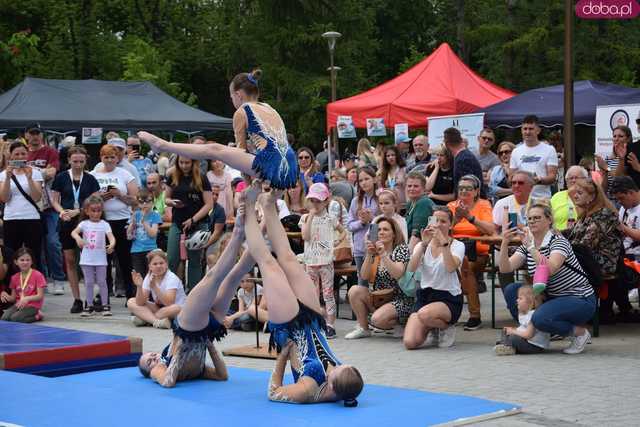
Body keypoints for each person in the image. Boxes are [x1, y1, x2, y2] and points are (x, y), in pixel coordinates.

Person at [241, 184, 363, 405]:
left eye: (336, 371)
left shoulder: (309, 389)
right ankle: (269, 204)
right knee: (288, 256)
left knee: (268, 263)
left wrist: (282, 356)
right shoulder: (345, 380)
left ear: (333, 387)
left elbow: (274, 392)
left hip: (289, 328)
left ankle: (248, 209)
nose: (335, 368)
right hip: (314, 319)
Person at [137, 205, 254, 387]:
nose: (153, 357)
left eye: (150, 355)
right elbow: (221, 376)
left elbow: (170, 377)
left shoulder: (165, 360)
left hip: (188, 326)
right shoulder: (162, 370)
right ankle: (260, 230)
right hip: (206, 330)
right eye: (149, 362)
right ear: (150, 371)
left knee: (214, 277)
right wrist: (209, 346)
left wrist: (176, 353)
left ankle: (241, 229)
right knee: (235, 277)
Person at [139, 69, 299, 190]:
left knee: (214, 149)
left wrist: (248, 187)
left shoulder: (243, 111)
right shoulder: (270, 108)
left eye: (231, 97)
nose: (232, 101)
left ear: (238, 95)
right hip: (291, 168)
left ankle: (162, 145)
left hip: (272, 164)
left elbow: (240, 154)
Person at [499, 204, 596, 355]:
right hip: (551, 298)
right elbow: (505, 268)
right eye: (529, 219)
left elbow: (550, 269)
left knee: (541, 318)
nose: (532, 222)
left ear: (549, 220)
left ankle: (580, 333)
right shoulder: (528, 244)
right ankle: (530, 331)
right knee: (513, 290)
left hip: (579, 298)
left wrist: (532, 248)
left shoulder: (558, 241)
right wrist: (505, 242)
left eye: (537, 218)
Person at [403, 207, 464, 350]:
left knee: (424, 314)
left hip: (448, 297)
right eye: (435, 221)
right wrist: (423, 244)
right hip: (426, 295)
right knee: (410, 342)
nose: (438, 225)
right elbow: (411, 268)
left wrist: (443, 244)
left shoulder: (458, 245)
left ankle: (446, 327)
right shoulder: (422, 244)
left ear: (451, 224)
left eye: (443, 221)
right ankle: (432, 327)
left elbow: (450, 267)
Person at [567, 179, 627, 323]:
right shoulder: (585, 214)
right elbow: (574, 238)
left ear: (592, 197)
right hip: (588, 258)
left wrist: (562, 245)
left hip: (602, 262)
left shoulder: (604, 214)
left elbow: (585, 244)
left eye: (580, 193)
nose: (575, 196)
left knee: (559, 266)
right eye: (574, 193)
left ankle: (569, 311)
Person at [51, 146, 101, 313]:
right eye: (75, 161)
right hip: (66, 223)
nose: (78, 164)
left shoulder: (91, 179)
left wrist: (78, 211)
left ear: (85, 161)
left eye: (81, 161)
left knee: (89, 261)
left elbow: (96, 202)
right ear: (69, 161)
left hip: (87, 222)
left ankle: (91, 297)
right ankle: (77, 299)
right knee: (70, 261)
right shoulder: (61, 177)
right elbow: (54, 200)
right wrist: (62, 212)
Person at [345, 217, 411, 339]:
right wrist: (370, 254)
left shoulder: (401, 249)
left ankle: (400, 325)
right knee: (354, 290)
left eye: (386, 229)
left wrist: (383, 255)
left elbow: (398, 273)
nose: (381, 232)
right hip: (378, 298)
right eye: (379, 229)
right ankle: (364, 328)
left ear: (394, 234)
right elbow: (364, 276)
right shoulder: (373, 250)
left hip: (399, 299)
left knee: (377, 319)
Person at [447, 174, 496, 331]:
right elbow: (438, 229)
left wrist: (470, 217)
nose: (464, 192)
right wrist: (455, 218)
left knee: (465, 266)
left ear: (476, 191)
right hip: (453, 251)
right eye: (461, 188)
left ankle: (474, 316)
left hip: (477, 252)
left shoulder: (484, 205)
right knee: (462, 266)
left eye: (468, 188)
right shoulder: (450, 206)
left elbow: (490, 230)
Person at [91, 144, 138, 299]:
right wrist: (99, 198)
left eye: (112, 157)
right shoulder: (94, 175)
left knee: (125, 259)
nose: (110, 160)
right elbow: (88, 200)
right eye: (106, 157)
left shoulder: (125, 174)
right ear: (101, 158)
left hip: (122, 220)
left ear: (118, 158)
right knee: (103, 259)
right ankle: (104, 292)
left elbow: (135, 201)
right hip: (101, 221)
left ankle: (130, 292)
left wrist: (119, 195)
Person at [24, 124, 66, 295]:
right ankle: (41, 279)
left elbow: (51, 173)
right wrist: (39, 172)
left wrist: (28, 171)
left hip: (48, 206)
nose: (35, 136)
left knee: (52, 242)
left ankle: (58, 279)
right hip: (28, 206)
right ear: (26, 135)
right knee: (35, 245)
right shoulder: (21, 151)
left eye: (37, 133)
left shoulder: (50, 151)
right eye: (32, 133)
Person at [299, 183, 343, 339]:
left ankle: (330, 324)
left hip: (325, 261)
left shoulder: (330, 218)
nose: (315, 204)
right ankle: (315, 321)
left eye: (318, 201)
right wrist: (310, 216)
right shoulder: (305, 218)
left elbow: (343, 232)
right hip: (310, 261)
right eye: (312, 200)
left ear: (326, 201)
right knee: (312, 293)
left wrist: (337, 242)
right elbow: (305, 236)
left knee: (328, 293)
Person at [165, 155, 213, 292]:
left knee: (194, 260)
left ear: (193, 163)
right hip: (178, 222)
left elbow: (209, 204)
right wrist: (172, 202)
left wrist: (193, 220)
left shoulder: (202, 178)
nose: (184, 165)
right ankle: (171, 291)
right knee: (172, 259)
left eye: (187, 163)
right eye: (181, 163)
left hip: (198, 223)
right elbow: (166, 198)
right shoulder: (172, 176)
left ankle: (193, 292)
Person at [0, 141, 44, 271]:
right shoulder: (3, 175)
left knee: (34, 253)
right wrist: (8, 178)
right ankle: (13, 284)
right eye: (17, 154)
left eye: (23, 154)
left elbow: (37, 197)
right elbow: (4, 198)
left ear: (28, 154)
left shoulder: (35, 172)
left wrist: (29, 178)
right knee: (11, 254)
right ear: (11, 156)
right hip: (11, 218)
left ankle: (36, 283)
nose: (20, 157)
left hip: (31, 217)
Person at [71, 195, 116, 316]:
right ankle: (89, 305)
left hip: (101, 259)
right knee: (88, 282)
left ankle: (105, 305)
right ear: (86, 211)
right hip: (87, 259)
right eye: (93, 211)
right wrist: (78, 239)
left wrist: (111, 245)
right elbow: (73, 232)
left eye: (99, 211)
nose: (96, 214)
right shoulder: (84, 224)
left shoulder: (105, 224)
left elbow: (111, 238)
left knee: (102, 281)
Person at [128, 250, 187, 328]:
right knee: (131, 301)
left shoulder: (172, 278)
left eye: (161, 263)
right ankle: (156, 321)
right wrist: (139, 286)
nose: (158, 266)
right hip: (159, 309)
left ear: (166, 264)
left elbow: (169, 303)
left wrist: (155, 287)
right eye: (155, 264)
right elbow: (140, 303)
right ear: (150, 266)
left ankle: (145, 319)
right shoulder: (149, 276)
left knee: (176, 308)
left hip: (174, 309)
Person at [509, 115, 558, 199]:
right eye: (525, 129)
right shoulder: (516, 151)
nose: (527, 132)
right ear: (521, 130)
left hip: (542, 198)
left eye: (531, 129)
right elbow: (511, 178)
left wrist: (539, 180)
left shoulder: (549, 149)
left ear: (538, 131)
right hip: (521, 199)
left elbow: (552, 177)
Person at [493, 285, 549, 355]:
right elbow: (523, 327)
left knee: (513, 338)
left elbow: (528, 335)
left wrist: (513, 331)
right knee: (505, 330)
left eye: (520, 298)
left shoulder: (534, 316)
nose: (517, 300)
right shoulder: (525, 313)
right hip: (526, 340)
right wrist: (513, 330)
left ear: (530, 302)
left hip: (534, 345)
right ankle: (507, 346)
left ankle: (507, 345)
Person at [348, 167, 380, 287]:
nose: (364, 182)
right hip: (359, 249)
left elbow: (384, 222)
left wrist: (371, 219)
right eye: (361, 180)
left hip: (375, 247)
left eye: (367, 179)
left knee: (376, 282)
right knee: (362, 282)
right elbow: (350, 225)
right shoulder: (356, 201)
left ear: (375, 179)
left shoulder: (380, 199)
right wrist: (361, 222)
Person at [0, 248, 46, 323]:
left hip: (33, 306)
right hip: (19, 305)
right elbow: (13, 298)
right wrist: (4, 294)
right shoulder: (14, 277)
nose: (25, 262)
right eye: (22, 260)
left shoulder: (38, 275)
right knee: (4, 318)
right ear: (16, 262)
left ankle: (38, 315)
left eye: (28, 260)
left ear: (32, 262)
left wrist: (27, 298)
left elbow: (40, 296)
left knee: (16, 319)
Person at [128, 189, 162, 277]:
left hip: (150, 249)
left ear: (153, 202)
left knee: (151, 276)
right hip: (136, 250)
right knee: (139, 276)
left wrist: (145, 222)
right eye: (141, 202)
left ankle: (151, 291)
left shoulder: (155, 215)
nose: (144, 204)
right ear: (138, 203)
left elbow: (153, 234)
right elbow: (128, 236)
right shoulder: (136, 214)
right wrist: (132, 225)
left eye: (147, 201)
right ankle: (139, 291)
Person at [444, 127, 483, 196]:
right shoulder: (464, 156)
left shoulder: (462, 159)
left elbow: (466, 189)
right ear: (461, 140)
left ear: (446, 143)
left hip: (472, 204)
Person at [550, 166, 589, 232]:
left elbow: (587, 218)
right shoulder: (557, 196)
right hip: (558, 236)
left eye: (577, 178)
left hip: (580, 235)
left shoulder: (588, 196)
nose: (573, 180)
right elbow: (547, 218)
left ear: (585, 179)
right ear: (566, 182)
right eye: (571, 178)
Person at [596, 126, 628, 202]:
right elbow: (604, 189)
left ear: (627, 139)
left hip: (625, 200)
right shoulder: (608, 159)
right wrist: (605, 172)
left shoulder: (629, 157)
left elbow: (619, 178)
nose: (616, 139)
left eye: (620, 136)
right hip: (610, 200)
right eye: (614, 136)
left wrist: (606, 167)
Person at [405, 172, 435, 251]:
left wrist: (406, 256)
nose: (411, 189)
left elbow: (417, 235)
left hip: (422, 249)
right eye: (409, 186)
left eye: (416, 186)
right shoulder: (410, 203)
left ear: (424, 188)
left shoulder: (424, 203)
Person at [146, 173, 171, 251]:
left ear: (161, 183)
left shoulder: (164, 196)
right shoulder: (149, 198)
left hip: (166, 237)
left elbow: (169, 217)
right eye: (149, 183)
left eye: (154, 182)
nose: (151, 186)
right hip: (154, 235)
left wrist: (152, 219)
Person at [204, 186, 228, 269]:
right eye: (212, 194)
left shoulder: (220, 210)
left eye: (217, 195)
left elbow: (216, 234)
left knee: (211, 257)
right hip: (199, 239)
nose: (214, 196)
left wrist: (204, 245)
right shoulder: (199, 206)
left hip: (214, 241)